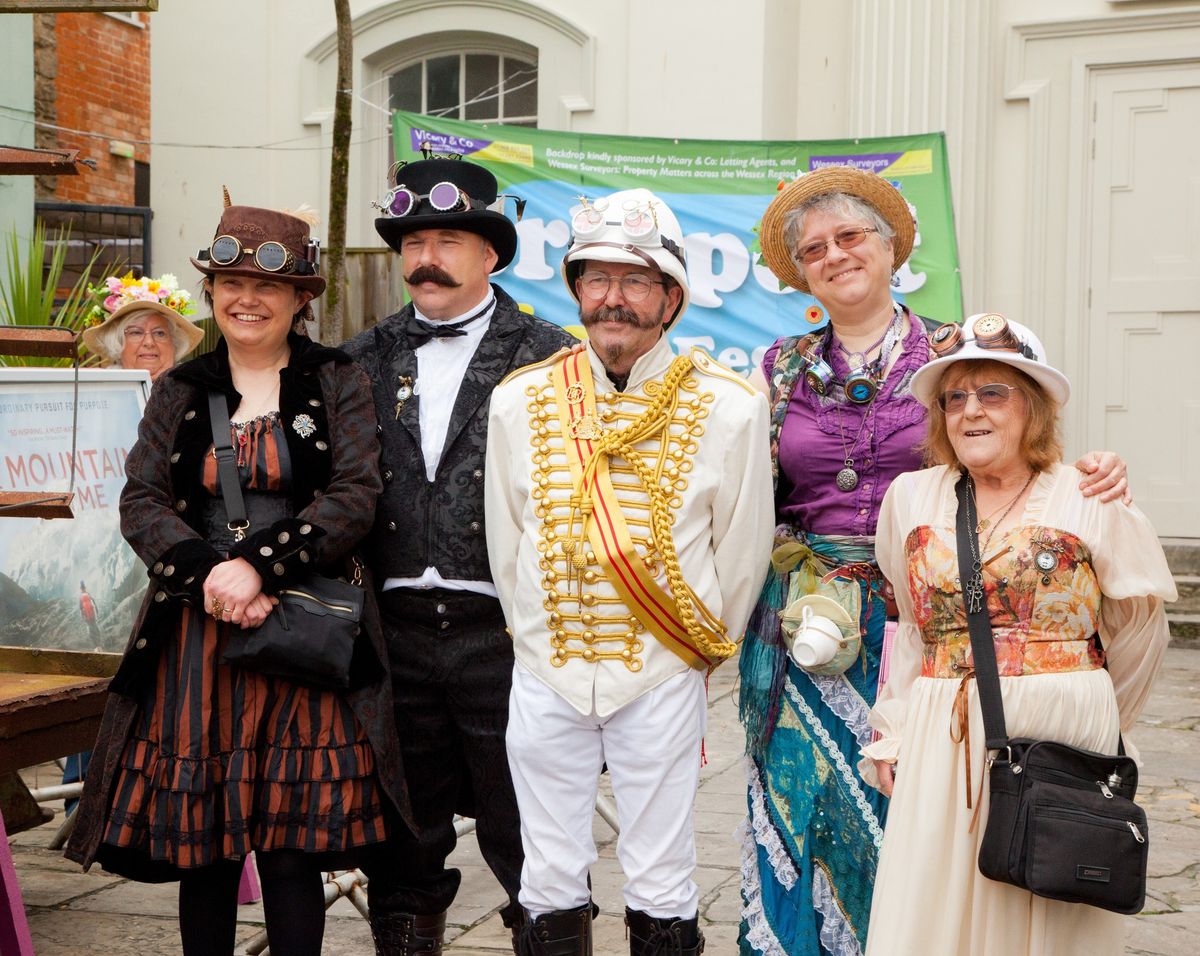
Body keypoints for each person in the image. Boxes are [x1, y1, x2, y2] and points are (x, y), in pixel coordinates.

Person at [739, 166, 1133, 956]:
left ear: (888, 249)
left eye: (851, 236)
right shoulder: (774, 369)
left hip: (924, 628)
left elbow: (1027, 460)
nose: (835, 254)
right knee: (795, 812)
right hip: (800, 627)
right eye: (815, 248)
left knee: (915, 823)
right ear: (801, 272)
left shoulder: (955, 356)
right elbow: (746, 501)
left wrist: (1101, 471)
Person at [66, 199, 409, 956]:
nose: (246, 299)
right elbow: (142, 499)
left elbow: (355, 495)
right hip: (197, 637)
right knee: (207, 850)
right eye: (230, 284)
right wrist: (211, 578)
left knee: (289, 852)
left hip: (306, 626)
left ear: (300, 299)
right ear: (213, 293)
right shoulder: (180, 388)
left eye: (266, 288)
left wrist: (255, 568)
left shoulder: (339, 380)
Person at [485, 187, 774, 955]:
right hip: (547, 667)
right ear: (577, 289)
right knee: (545, 871)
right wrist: (537, 641)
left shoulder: (731, 407)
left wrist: (694, 653)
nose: (614, 299)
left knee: (663, 871)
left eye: (636, 280)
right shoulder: (519, 401)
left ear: (672, 298)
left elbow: (741, 556)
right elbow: (505, 542)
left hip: (661, 666)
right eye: (596, 279)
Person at [862, 312, 1175, 955]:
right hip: (941, 731)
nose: (971, 410)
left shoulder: (1090, 494)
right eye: (955, 397)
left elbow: (1141, 630)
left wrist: (1099, 719)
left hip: (1061, 736)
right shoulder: (910, 497)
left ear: (1032, 407)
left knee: (1047, 905)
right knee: (932, 908)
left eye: (993, 393)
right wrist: (893, 727)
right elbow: (914, 628)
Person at [343, 156, 574, 955]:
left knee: (534, 845)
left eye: (446, 239)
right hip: (393, 635)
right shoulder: (359, 358)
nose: (425, 257)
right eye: (411, 242)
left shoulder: (554, 357)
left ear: (491, 255)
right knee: (402, 847)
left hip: (509, 639)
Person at [81, 272, 204, 381]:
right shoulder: (101, 395)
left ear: (175, 344)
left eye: (159, 333)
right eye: (136, 332)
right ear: (117, 343)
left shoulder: (195, 393)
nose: (149, 342)